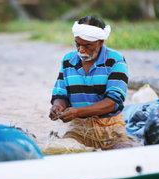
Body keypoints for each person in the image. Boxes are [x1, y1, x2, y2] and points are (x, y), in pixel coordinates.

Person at [49, 15, 136, 150]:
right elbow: (60, 94)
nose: (81, 50)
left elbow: (112, 102)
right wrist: (57, 107)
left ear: (100, 42)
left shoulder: (115, 61)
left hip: (111, 129)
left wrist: (77, 111)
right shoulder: (68, 61)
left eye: (87, 45)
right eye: (78, 44)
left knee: (125, 152)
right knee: (61, 152)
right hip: (78, 129)